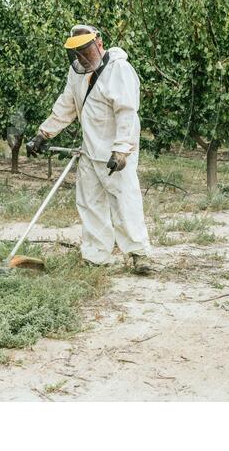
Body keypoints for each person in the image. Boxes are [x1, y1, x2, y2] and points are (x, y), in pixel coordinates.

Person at [26, 24, 155, 274]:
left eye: (86, 50)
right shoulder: (76, 73)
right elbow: (67, 104)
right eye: (77, 53)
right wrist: (43, 133)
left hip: (116, 153)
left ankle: (139, 254)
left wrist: (120, 150)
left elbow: (127, 112)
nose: (82, 57)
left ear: (99, 43)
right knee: (90, 203)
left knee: (125, 200)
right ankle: (96, 255)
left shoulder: (119, 70)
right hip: (89, 149)